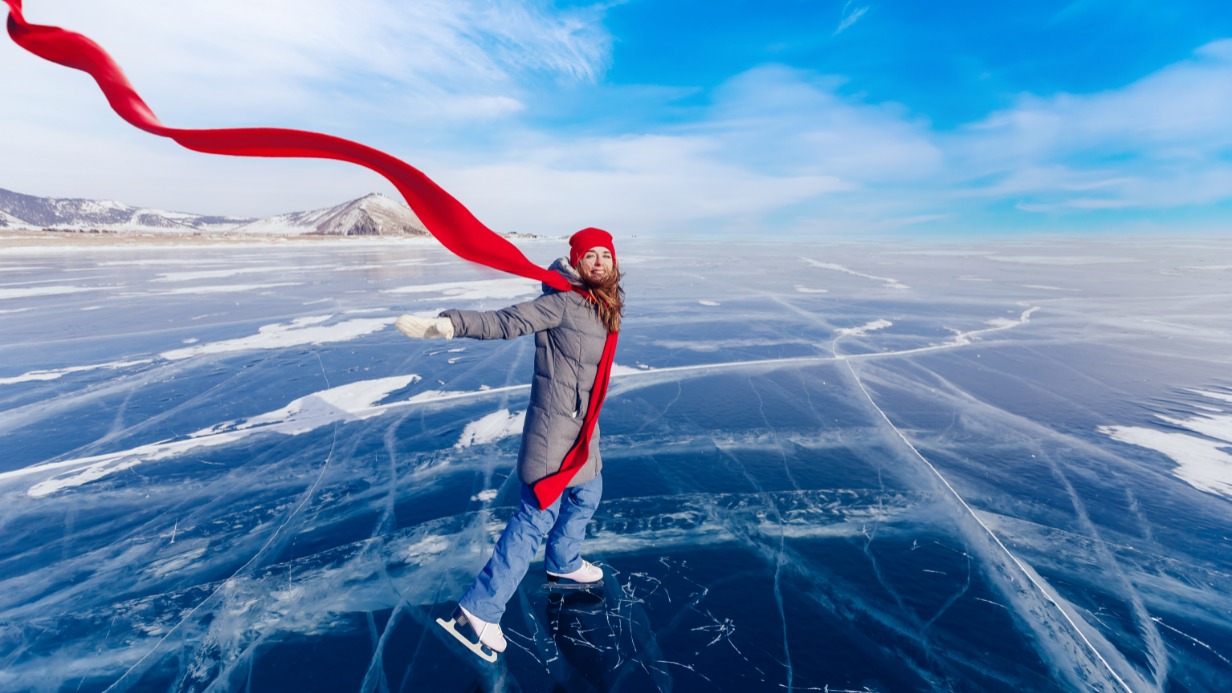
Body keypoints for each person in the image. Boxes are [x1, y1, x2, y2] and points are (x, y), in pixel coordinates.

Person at [394, 228, 624, 661]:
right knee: (535, 517)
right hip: (555, 435)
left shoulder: (604, 303)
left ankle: (563, 561)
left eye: (604, 255)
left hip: (583, 431)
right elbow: (507, 321)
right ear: (575, 262)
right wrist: (449, 324)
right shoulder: (561, 302)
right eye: (588, 255)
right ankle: (480, 609)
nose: (597, 262)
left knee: (588, 492)